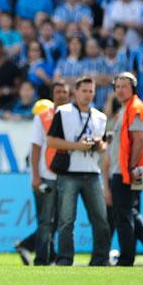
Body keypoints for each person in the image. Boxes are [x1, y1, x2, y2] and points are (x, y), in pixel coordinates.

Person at [47, 76, 110, 266]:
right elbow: (51, 141)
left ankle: (100, 259)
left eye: (91, 91)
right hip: (69, 173)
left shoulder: (101, 117)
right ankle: (65, 259)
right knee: (66, 221)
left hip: (92, 172)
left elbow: (104, 143)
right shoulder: (63, 112)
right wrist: (77, 146)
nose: (88, 95)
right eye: (84, 91)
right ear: (75, 92)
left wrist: (100, 146)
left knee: (101, 220)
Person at [103, 72, 143, 266]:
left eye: (124, 86)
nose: (120, 90)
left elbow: (139, 139)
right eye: (117, 86)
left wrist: (132, 166)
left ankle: (127, 258)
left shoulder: (134, 108)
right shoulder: (128, 108)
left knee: (123, 214)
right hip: (133, 168)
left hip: (128, 169)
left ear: (133, 88)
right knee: (129, 211)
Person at [15, 81, 71, 266]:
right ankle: (41, 257)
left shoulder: (71, 116)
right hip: (46, 175)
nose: (61, 94)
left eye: (65, 91)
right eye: (58, 91)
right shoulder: (43, 117)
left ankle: (44, 253)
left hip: (63, 175)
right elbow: (35, 149)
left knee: (53, 221)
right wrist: (36, 176)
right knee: (47, 221)